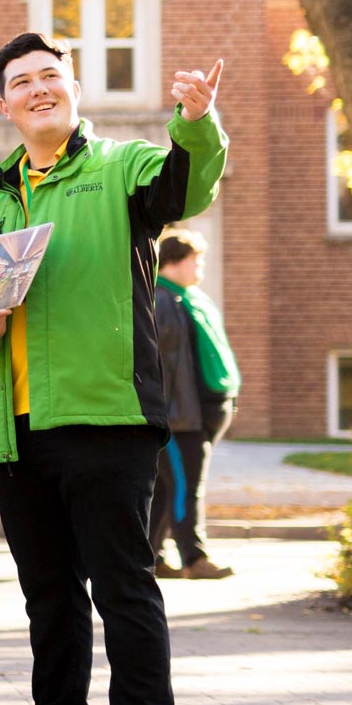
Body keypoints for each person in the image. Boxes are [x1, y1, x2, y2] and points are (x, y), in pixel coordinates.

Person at [0, 32, 226, 705]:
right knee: (49, 594)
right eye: (22, 81)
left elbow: (185, 188)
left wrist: (195, 121)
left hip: (105, 419)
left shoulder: (121, 167)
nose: (39, 89)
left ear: (73, 90)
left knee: (123, 585)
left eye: (51, 76)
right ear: (5, 104)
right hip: (14, 429)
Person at [148, 227, 238, 581]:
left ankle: (151, 556)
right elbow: (162, 367)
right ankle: (194, 558)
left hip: (199, 416)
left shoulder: (191, 297)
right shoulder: (161, 300)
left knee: (167, 489)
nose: (200, 264)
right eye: (194, 259)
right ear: (172, 262)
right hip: (178, 419)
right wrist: (166, 416)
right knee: (186, 488)